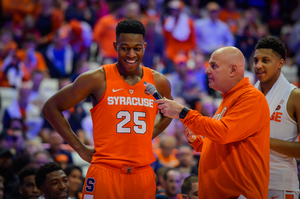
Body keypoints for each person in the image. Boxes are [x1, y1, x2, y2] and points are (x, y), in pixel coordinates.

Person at [42, 19, 172, 198]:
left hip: (142, 174)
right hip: (105, 171)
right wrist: (79, 148)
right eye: (125, 48)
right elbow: (51, 108)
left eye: (137, 48)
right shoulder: (97, 78)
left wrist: (149, 133)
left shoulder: (159, 82)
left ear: (145, 46)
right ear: (115, 46)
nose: (131, 54)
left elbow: (171, 111)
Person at [155, 46, 270, 198]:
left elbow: (224, 133)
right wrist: (197, 142)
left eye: (214, 66)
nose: (207, 70)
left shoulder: (251, 97)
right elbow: (221, 146)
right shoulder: (228, 98)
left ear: (233, 70)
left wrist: (184, 113)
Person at [253, 37, 300, 199]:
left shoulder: (295, 96)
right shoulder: (248, 96)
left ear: (280, 63)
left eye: (265, 60)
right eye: (256, 60)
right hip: (247, 183)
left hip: (280, 184)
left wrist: (262, 139)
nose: (258, 65)